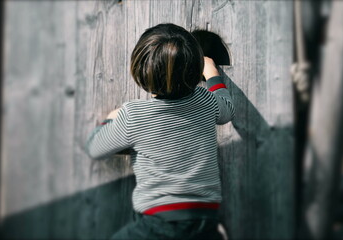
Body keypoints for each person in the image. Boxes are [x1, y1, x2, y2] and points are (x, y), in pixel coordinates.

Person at [84, 23, 235, 239]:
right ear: (195, 68)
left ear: (140, 69)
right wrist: (212, 75)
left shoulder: (133, 115)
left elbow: (94, 147)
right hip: (204, 220)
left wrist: (109, 120)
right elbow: (228, 110)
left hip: (158, 223)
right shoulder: (205, 101)